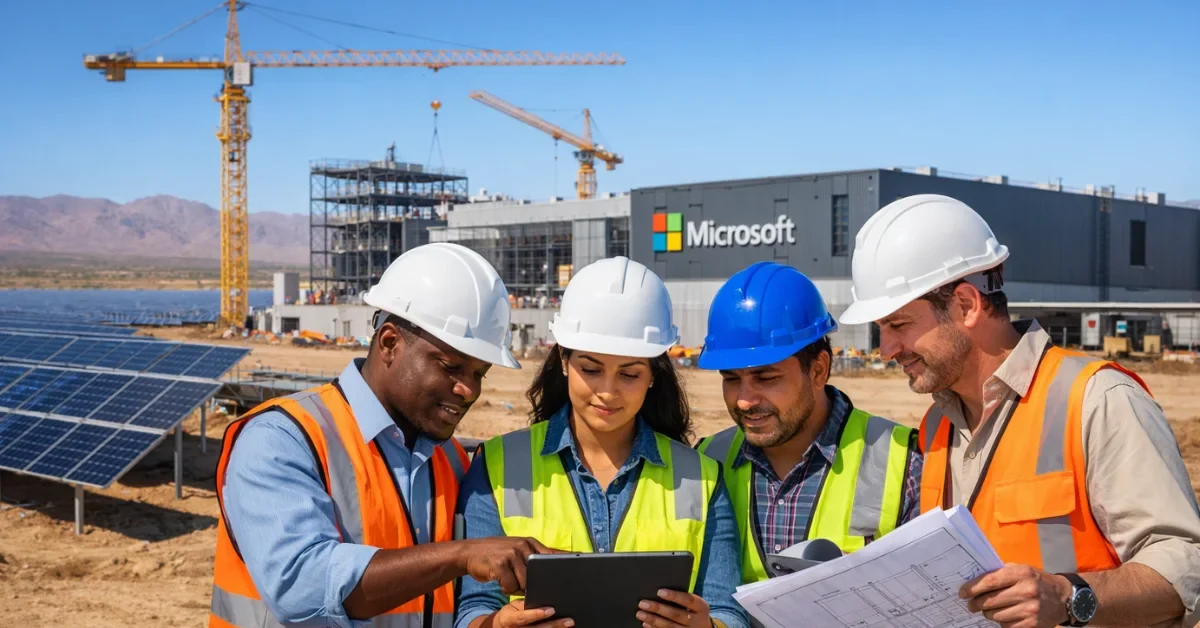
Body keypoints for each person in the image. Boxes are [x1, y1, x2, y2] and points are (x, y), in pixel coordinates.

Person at [839, 193, 1200, 628]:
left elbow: (1186, 566)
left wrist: (1067, 596)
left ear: (967, 306)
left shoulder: (1096, 399)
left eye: (898, 325)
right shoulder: (936, 424)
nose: (886, 350)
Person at [211, 243, 559, 628]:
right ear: (390, 343)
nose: (469, 390)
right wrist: (461, 554)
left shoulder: (454, 462)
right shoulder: (283, 438)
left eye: (479, 374)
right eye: (451, 366)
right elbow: (299, 586)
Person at [455, 256, 749, 628]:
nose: (607, 392)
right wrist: (497, 625)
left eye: (629, 374)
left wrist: (707, 627)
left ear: (654, 374)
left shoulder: (703, 478)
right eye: (591, 370)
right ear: (563, 359)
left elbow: (727, 611)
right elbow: (472, 609)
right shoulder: (496, 465)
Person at [694, 261, 923, 585]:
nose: (744, 400)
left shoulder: (902, 461)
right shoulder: (706, 462)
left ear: (818, 370)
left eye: (766, 378)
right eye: (731, 379)